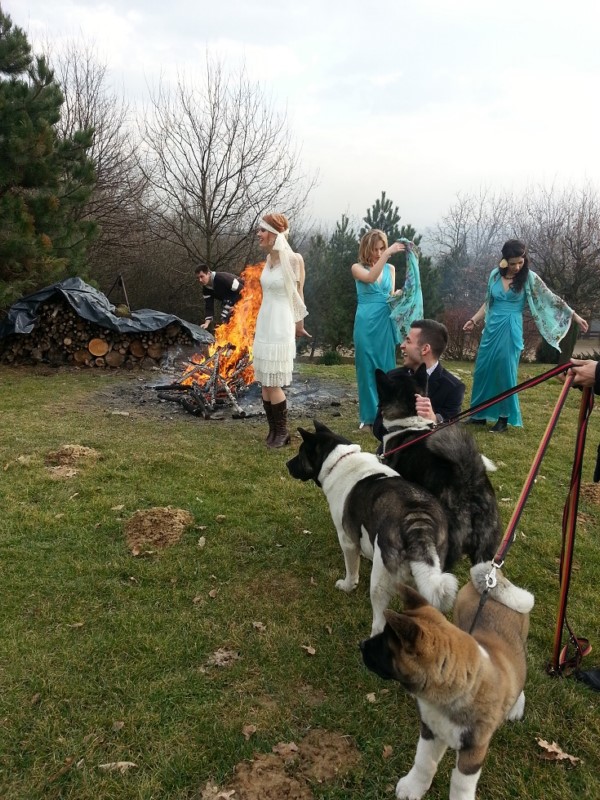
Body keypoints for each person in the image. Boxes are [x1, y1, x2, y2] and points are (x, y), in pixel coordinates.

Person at [463, 239, 589, 433]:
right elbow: (488, 303)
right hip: (492, 327)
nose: (517, 266)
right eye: (512, 263)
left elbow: (551, 298)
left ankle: (503, 418)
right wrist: (474, 320)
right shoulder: (494, 276)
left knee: (506, 370)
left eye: (520, 262)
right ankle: (478, 414)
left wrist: (575, 316)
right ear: (504, 260)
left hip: (511, 327)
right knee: (483, 369)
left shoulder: (529, 277)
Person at [352, 230, 422, 429]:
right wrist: (387, 253)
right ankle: (367, 417)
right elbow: (371, 278)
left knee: (386, 368)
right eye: (375, 249)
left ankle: (386, 414)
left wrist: (399, 295)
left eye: (382, 248)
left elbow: (389, 295)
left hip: (385, 321)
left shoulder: (390, 269)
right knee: (366, 369)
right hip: (366, 322)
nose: (379, 252)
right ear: (367, 248)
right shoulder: (357, 268)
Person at [253, 213, 309, 448]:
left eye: (263, 230)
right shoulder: (268, 259)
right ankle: (273, 430)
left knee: (273, 382)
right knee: (265, 381)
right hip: (265, 321)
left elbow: (298, 294)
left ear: (275, 234)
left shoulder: (294, 259)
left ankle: (283, 432)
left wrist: (300, 325)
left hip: (280, 323)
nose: (259, 234)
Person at [373, 319, 465, 443]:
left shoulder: (453, 387)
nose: (402, 345)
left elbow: (451, 437)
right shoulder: (393, 377)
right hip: (393, 451)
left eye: (408, 341)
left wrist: (434, 419)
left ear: (425, 349)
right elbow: (378, 428)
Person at [195, 264, 244, 330]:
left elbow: (244, 290)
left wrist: (238, 306)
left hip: (248, 296)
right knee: (225, 319)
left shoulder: (223, 279)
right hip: (229, 301)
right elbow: (209, 307)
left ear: (209, 274)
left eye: (202, 276)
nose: (200, 280)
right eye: (198, 278)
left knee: (238, 320)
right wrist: (206, 324)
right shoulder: (206, 290)